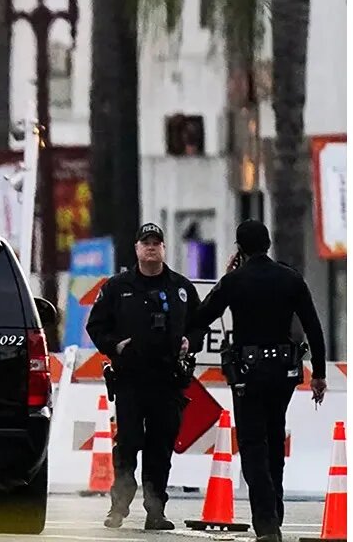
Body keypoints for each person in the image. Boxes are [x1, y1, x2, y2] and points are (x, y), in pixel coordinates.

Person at [187, 220, 327, 542]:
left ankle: (266, 523)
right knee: (275, 438)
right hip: (283, 373)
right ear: (267, 244)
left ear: (239, 248)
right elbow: (314, 327)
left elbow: (202, 317)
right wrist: (318, 373)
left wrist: (227, 277)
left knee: (253, 445)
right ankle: (275, 510)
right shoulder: (291, 279)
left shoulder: (235, 281)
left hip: (248, 375)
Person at [86, 223, 204, 531]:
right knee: (127, 443)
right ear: (137, 249)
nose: (151, 247)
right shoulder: (117, 287)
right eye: (145, 243)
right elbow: (96, 326)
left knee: (160, 446)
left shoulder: (180, 288)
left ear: (164, 248)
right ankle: (118, 506)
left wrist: (190, 341)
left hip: (167, 379)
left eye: (156, 243)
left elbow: (200, 323)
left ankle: (156, 510)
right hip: (130, 379)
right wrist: (116, 346)